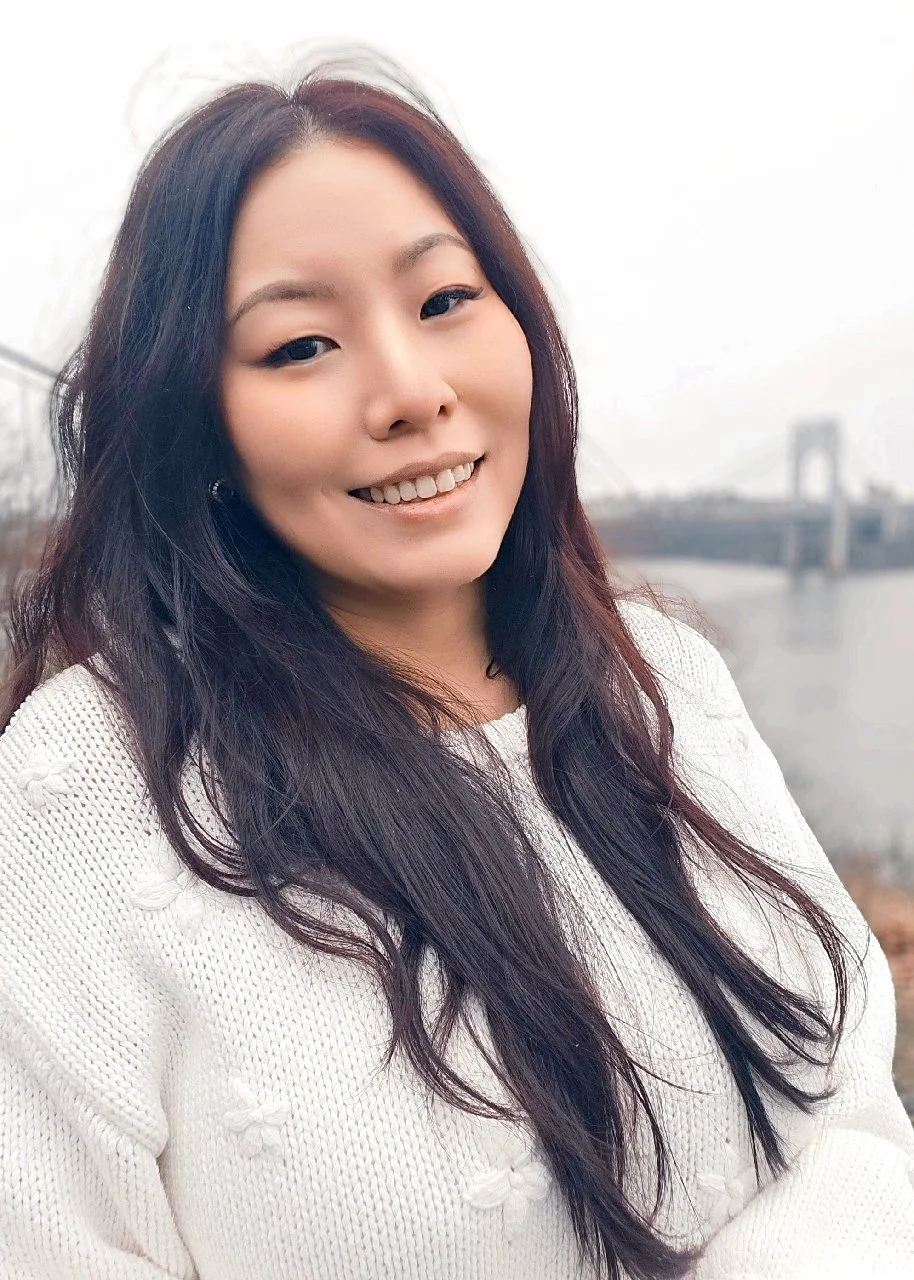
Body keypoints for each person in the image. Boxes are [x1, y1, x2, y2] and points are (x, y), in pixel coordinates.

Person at [0, 46, 912, 1280]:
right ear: (192, 418)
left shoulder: (664, 678)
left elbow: (849, 1117)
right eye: (300, 346)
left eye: (443, 304)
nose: (410, 391)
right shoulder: (83, 796)